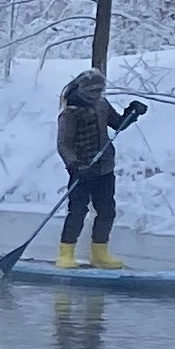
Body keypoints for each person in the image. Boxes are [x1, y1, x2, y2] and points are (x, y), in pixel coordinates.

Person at [55, 66, 148, 265]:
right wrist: (75, 166)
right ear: (83, 91)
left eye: (100, 91)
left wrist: (132, 113)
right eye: (94, 92)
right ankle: (65, 253)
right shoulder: (70, 113)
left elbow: (118, 124)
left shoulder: (102, 105)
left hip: (104, 169)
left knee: (107, 211)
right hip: (82, 171)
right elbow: (64, 144)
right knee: (78, 211)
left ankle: (100, 253)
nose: (97, 95)